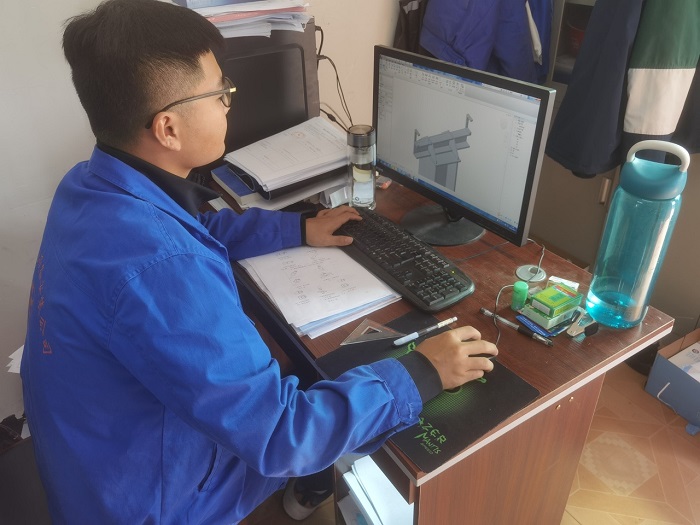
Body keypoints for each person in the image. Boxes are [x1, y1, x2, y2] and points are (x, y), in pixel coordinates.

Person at [20, 0, 498, 523]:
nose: (229, 103)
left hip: (93, 462)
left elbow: (190, 229)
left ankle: (312, 487)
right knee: (330, 388)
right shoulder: (161, 267)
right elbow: (281, 437)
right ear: (168, 129)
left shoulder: (91, 185)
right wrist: (423, 372)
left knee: (303, 368)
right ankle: (319, 487)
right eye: (219, 92)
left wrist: (296, 227)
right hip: (150, 503)